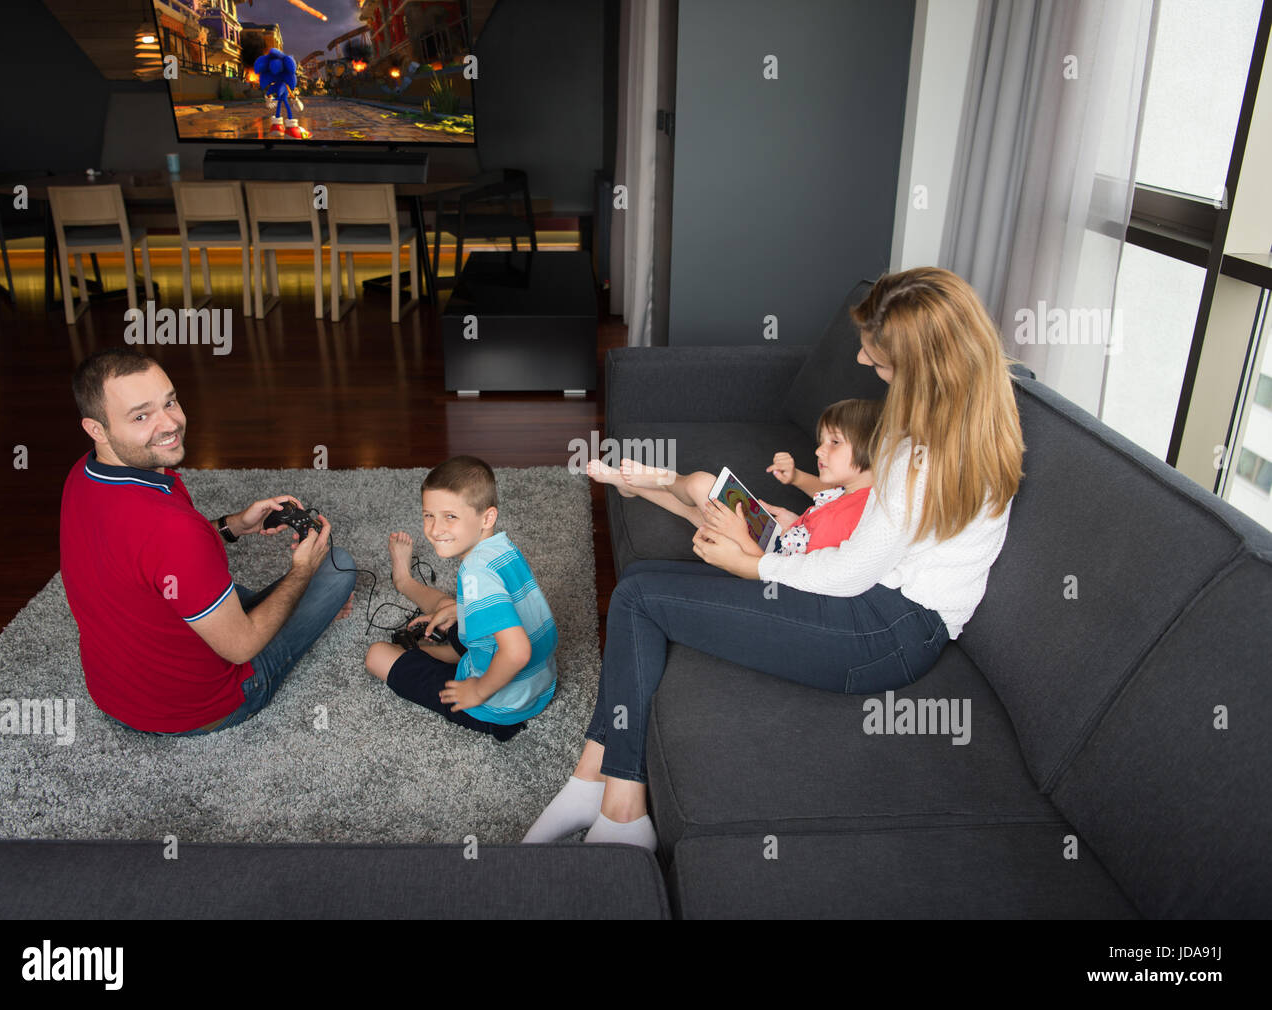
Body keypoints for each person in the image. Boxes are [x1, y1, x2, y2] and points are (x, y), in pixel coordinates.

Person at [523, 267, 1025, 850]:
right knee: (637, 584)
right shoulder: (981, 416)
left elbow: (849, 572)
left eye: (879, 360)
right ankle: (595, 782)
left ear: (922, 365)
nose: (864, 365)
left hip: (881, 630)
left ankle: (620, 804)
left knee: (638, 598)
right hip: (889, 615)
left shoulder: (919, 455)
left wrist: (751, 564)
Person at [60, 347, 356, 736]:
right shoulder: (173, 531)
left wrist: (234, 525)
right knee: (337, 566)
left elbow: (148, 561)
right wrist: (303, 572)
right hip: (201, 707)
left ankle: (283, 603)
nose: (169, 424)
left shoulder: (82, 475)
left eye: (170, 402)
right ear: (96, 428)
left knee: (216, 587)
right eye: (141, 416)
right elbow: (241, 647)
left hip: (114, 692)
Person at [364, 455, 558, 742]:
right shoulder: (502, 548)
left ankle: (422, 638)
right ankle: (405, 585)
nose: (435, 529)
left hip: (497, 705)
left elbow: (517, 652)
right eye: (428, 515)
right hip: (539, 685)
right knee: (449, 609)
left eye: (450, 517)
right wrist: (461, 609)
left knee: (376, 655)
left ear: (487, 517)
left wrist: (476, 691)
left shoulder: (475, 573)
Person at [585, 398, 883, 558]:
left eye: (834, 442)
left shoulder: (850, 519)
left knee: (703, 485)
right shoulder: (858, 492)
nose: (819, 449)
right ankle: (628, 485)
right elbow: (825, 498)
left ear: (871, 450)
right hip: (779, 533)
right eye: (822, 440)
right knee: (699, 511)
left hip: (766, 553)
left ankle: (664, 478)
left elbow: (793, 573)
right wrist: (795, 490)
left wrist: (741, 536)